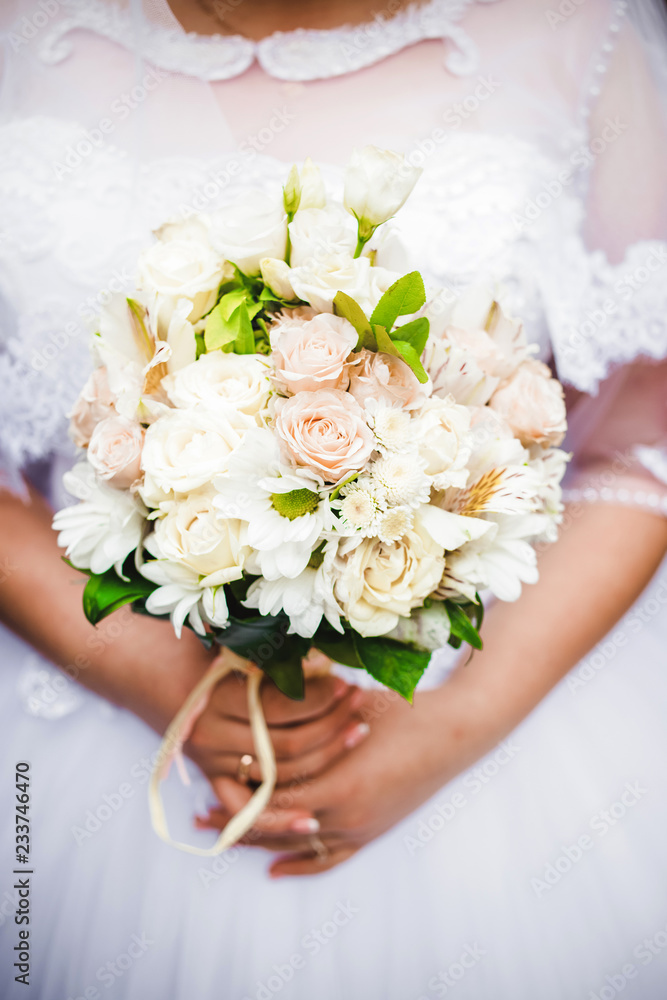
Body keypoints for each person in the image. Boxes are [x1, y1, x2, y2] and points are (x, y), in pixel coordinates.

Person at [1, 0, 666, 996]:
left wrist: (457, 723)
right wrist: (143, 665)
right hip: (93, 696)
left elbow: (641, 435)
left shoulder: (580, 32)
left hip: (485, 708)